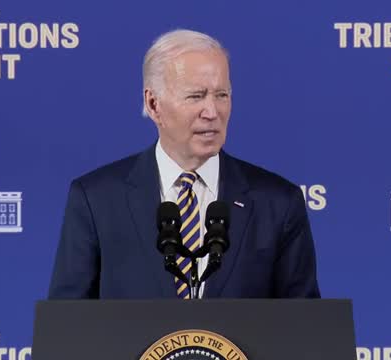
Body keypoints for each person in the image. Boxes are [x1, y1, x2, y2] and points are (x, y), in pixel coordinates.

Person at [48, 29, 320, 299]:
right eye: (196, 96)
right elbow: (67, 329)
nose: (212, 112)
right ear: (153, 104)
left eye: (221, 95)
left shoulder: (278, 203)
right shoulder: (96, 200)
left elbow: (304, 330)